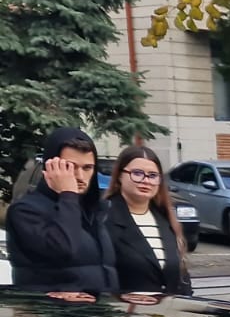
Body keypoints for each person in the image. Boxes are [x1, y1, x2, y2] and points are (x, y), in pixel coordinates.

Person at [4, 127, 117, 299]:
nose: (80, 176)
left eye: (87, 168)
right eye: (69, 167)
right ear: (50, 167)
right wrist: (68, 194)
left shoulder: (97, 210)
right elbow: (63, 249)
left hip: (99, 311)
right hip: (51, 312)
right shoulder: (25, 211)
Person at [104, 146, 191, 296]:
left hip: (169, 309)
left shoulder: (165, 218)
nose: (146, 181)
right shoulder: (104, 218)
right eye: (137, 173)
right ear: (119, 176)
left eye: (153, 175)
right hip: (125, 309)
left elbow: (181, 279)